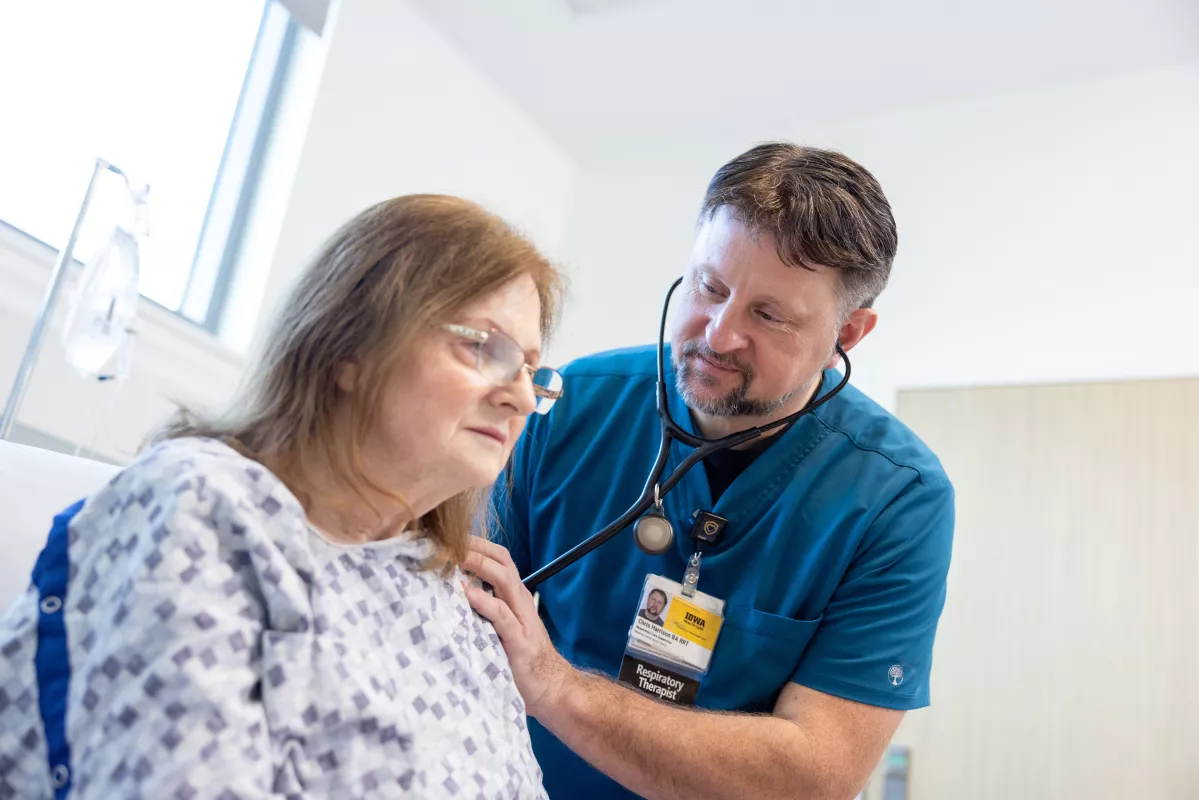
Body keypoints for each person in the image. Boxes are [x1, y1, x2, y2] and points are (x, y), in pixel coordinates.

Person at [0, 195, 564, 799]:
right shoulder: (205, 511)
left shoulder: (449, 594)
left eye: (531, 370)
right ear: (350, 348)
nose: (523, 398)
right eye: (484, 348)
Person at [464, 143, 955, 800]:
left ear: (850, 334)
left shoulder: (898, 499)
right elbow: (458, 616)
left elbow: (812, 776)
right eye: (709, 286)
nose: (718, 335)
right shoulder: (567, 404)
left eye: (768, 314)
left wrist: (555, 689)